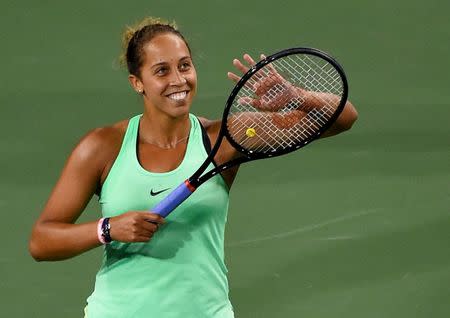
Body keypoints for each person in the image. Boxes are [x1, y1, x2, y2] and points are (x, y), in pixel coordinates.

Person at [28, 17, 358, 318]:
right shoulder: (102, 147)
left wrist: (295, 96)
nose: (178, 80)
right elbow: (42, 241)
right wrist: (107, 228)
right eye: (161, 71)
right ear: (137, 82)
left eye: (184, 66)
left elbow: (343, 117)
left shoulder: (225, 139)